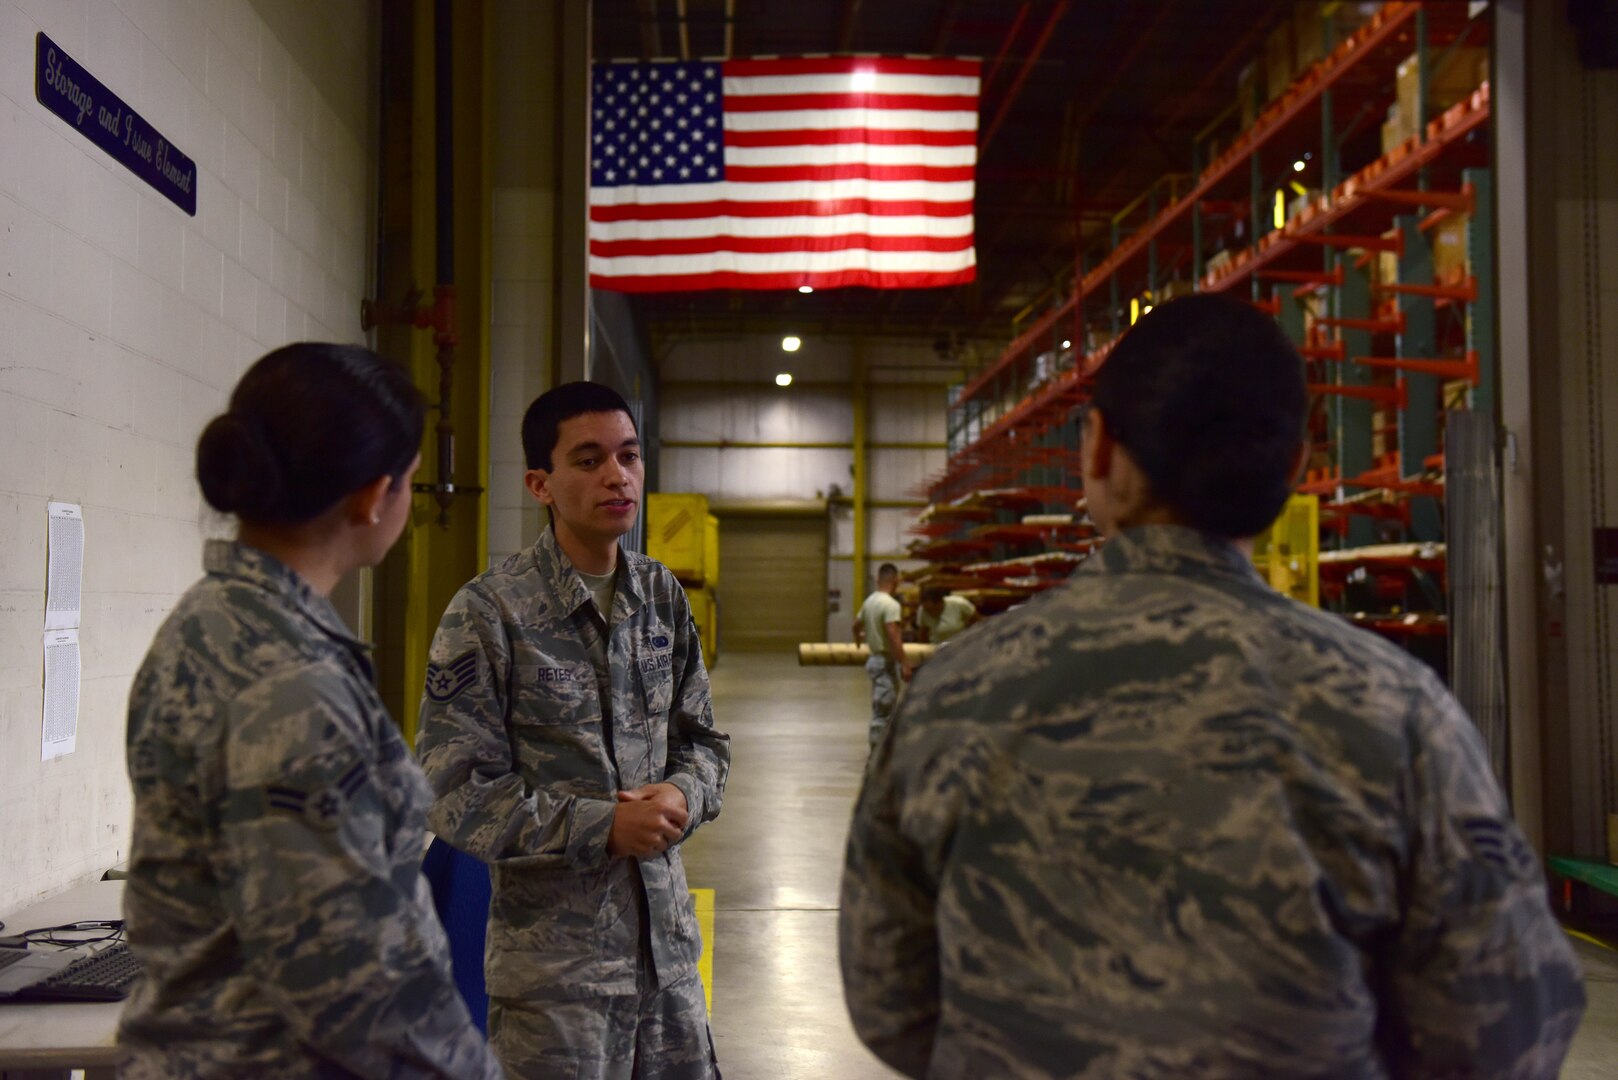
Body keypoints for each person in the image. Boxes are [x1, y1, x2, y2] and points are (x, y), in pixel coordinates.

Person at [838, 294, 1586, 1079]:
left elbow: (887, 998)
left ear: (1095, 449)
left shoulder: (956, 693)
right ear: (1292, 470)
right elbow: (1509, 1028)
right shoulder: (1395, 711)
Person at [120, 344, 501, 1079]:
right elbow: (353, 988)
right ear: (372, 496)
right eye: (413, 480)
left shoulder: (215, 620)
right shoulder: (291, 684)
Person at [417, 381, 729, 1080]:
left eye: (628, 456)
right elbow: (452, 793)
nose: (616, 476)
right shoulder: (490, 613)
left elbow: (704, 742)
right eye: (588, 461)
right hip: (556, 985)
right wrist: (599, 827)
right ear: (540, 484)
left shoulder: (662, 598)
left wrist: (683, 794)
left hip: (668, 965)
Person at [852, 563, 910, 748]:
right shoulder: (891, 605)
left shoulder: (869, 601)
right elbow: (893, 634)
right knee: (884, 709)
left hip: (874, 659)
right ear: (895, 580)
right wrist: (904, 662)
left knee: (885, 705)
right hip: (884, 661)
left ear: (878, 580)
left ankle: (883, 750)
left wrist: (859, 640)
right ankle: (877, 754)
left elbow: (856, 625)